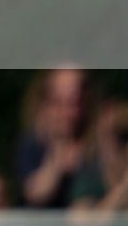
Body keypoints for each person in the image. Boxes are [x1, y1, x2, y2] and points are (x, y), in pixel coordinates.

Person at [14, 66, 94, 210]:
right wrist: (58, 155)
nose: (64, 112)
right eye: (57, 102)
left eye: (72, 103)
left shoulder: (95, 146)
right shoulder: (32, 143)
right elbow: (36, 194)